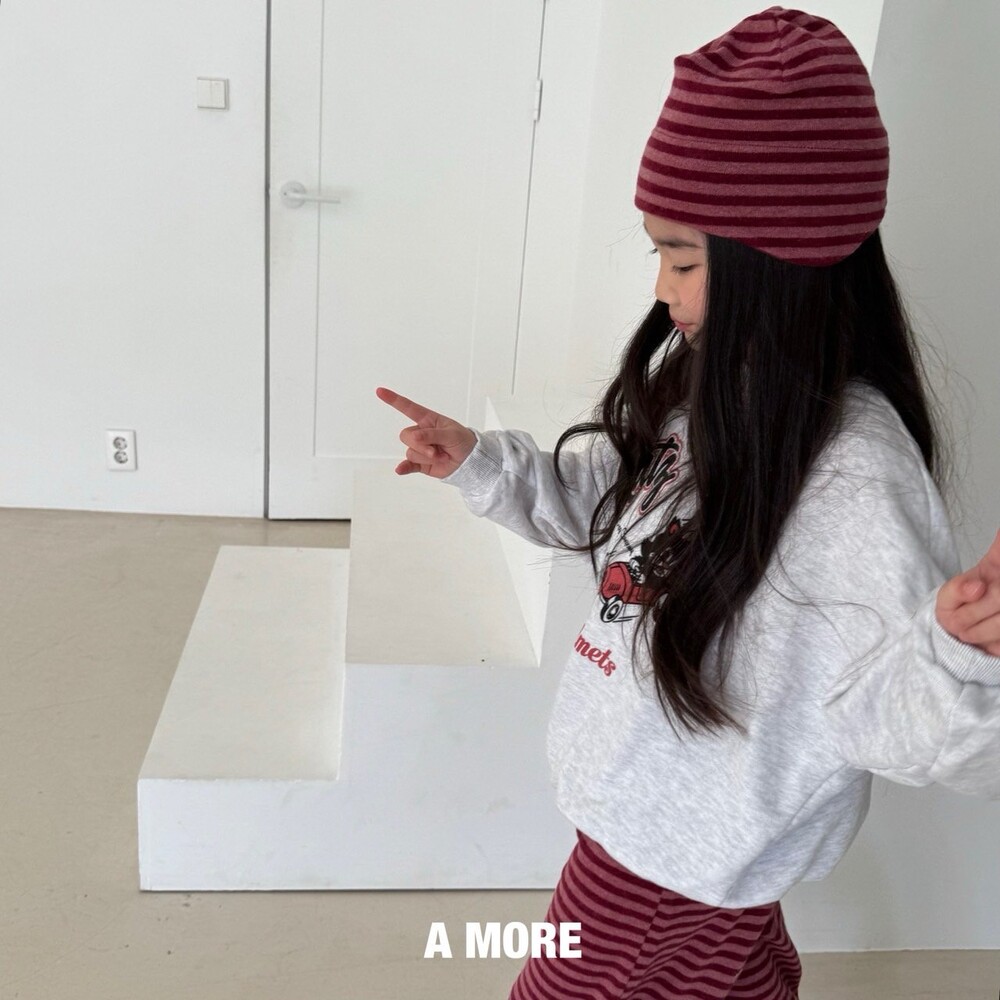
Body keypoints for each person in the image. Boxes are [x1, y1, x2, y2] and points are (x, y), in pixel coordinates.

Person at [377, 7, 1000, 998]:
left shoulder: (853, 475)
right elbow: (618, 509)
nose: (662, 290)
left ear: (775, 264)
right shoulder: (712, 388)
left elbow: (891, 719)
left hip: (667, 863)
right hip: (665, 829)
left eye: (683, 259)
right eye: (658, 256)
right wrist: (486, 466)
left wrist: (959, 653)